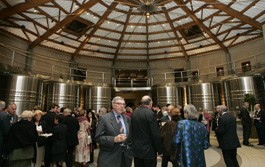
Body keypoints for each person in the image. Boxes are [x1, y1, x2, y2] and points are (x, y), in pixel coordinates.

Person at [95, 96, 132, 167]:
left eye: (123, 104)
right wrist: (114, 139)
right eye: (119, 103)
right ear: (113, 105)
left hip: (125, 158)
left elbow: (130, 136)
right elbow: (98, 138)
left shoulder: (127, 119)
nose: (122, 106)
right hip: (109, 158)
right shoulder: (104, 119)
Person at [131, 95, 161, 167]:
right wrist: (159, 149)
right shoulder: (150, 114)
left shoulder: (134, 113)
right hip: (149, 151)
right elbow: (155, 134)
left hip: (136, 149)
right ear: (150, 103)